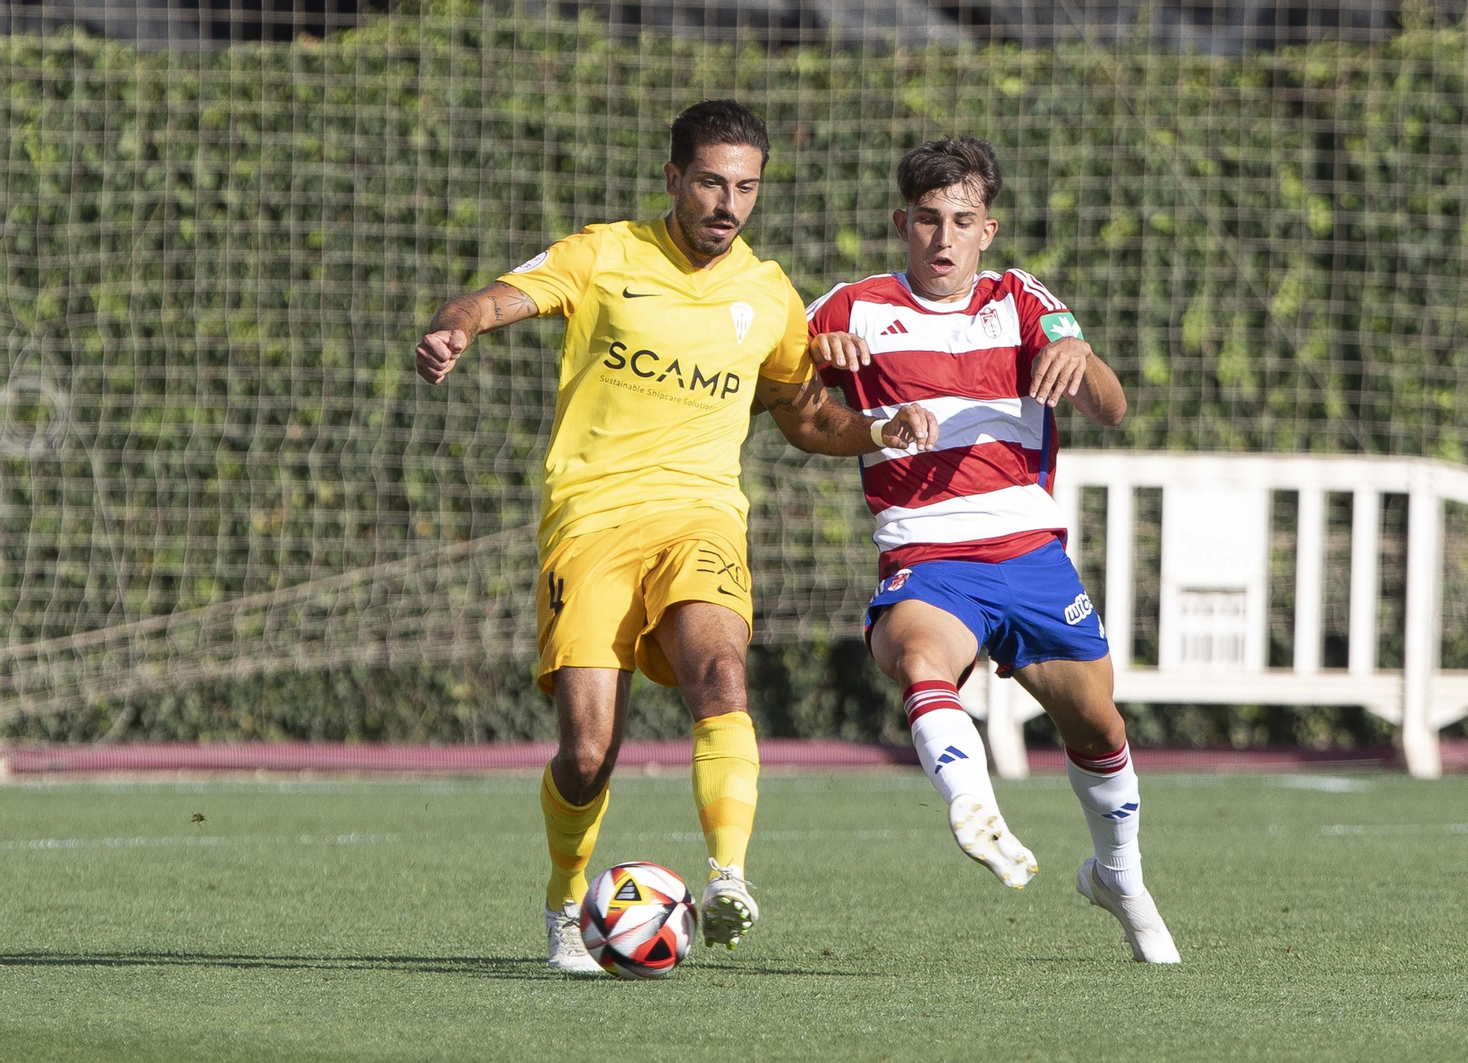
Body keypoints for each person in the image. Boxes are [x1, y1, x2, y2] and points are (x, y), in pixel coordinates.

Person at [414, 100, 934, 973]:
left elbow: (805, 417)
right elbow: (490, 299)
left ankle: (728, 874)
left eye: (745, 187)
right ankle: (563, 899)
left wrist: (877, 430)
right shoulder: (604, 253)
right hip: (591, 522)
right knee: (586, 752)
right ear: (673, 180)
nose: (727, 203)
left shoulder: (770, 296)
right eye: (709, 182)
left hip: (701, 514)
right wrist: (454, 329)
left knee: (722, 673)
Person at [802, 136, 1180, 963]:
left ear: (988, 229)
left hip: (1030, 558)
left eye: (962, 220)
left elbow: (1111, 409)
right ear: (902, 223)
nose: (943, 238)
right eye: (928, 220)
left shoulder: (1021, 299)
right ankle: (973, 804)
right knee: (920, 659)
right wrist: (822, 377)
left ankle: (1119, 873)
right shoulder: (849, 310)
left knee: (1097, 720)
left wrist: (1082, 357)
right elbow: (788, 406)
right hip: (926, 555)